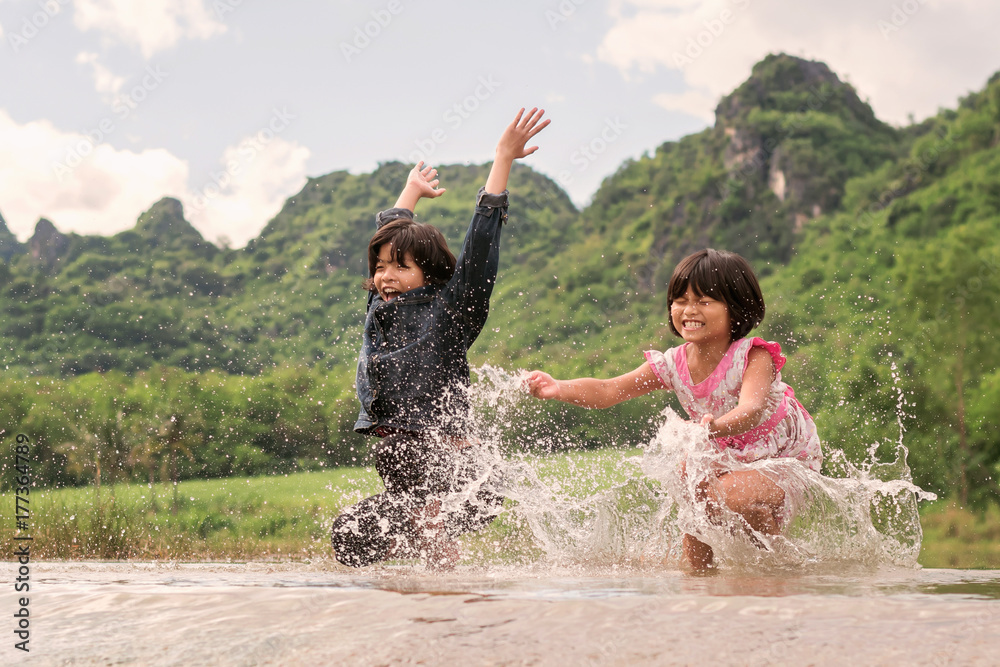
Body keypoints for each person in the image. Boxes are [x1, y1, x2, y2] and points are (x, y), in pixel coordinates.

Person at [332, 108, 551, 569]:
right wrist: (411, 190)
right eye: (380, 267)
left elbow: (479, 251)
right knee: (350, 538)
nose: (385, 277)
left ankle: (445, 597)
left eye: (400, 267)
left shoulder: (449, 312)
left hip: (451, 463)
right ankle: (421, 587)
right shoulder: (379, 305)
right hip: (401, 457)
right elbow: (389, 232)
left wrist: (502, 160)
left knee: (432, 532)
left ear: (428, 274)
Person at [524, 248, 822, 569]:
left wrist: (714, 427)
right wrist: (558, 387)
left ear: (735, 308)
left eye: (704, 301)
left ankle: (780, 570)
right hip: (725, 446)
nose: (689, 310)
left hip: (781, 454)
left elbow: (750, 408)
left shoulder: (752, 356)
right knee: (689, 480)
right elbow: (609, 390)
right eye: (680, 300)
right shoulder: (673, 363)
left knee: (727, 495)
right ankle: (698, 576)